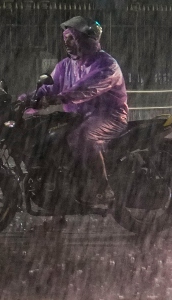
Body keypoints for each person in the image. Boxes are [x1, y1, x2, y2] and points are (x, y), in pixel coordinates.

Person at [23, 16, 127, 207]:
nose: (67, 44)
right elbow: (48, 88)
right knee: (49, 138)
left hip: (109, 116)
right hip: (77, 117)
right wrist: (25, 101)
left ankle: (103, 188)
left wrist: (60, 98)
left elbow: (88, 87)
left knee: (82, 137)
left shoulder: (106, 64)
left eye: (72, 38)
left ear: (85, 39)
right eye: (65, 39)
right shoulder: (65, 66)